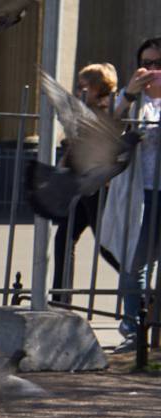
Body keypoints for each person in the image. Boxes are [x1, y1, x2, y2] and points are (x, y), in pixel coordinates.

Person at [101, 37, 161, 353]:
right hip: (141, 194)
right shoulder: (134, 102)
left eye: (157, 64)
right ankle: (133, 330)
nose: (151, 70)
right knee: (132, 265)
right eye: (146, 63)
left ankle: (156, 334)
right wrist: (128, 93)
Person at [52, 63, 120, 303]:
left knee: (106, 244)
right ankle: (61, 298)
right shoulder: (88, 109)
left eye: (83, 86)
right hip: (80, 184)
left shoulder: (104, 109)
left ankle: (138, 289)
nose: (78, 91)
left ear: (97, 87)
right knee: (64, 238)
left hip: (96, 185)